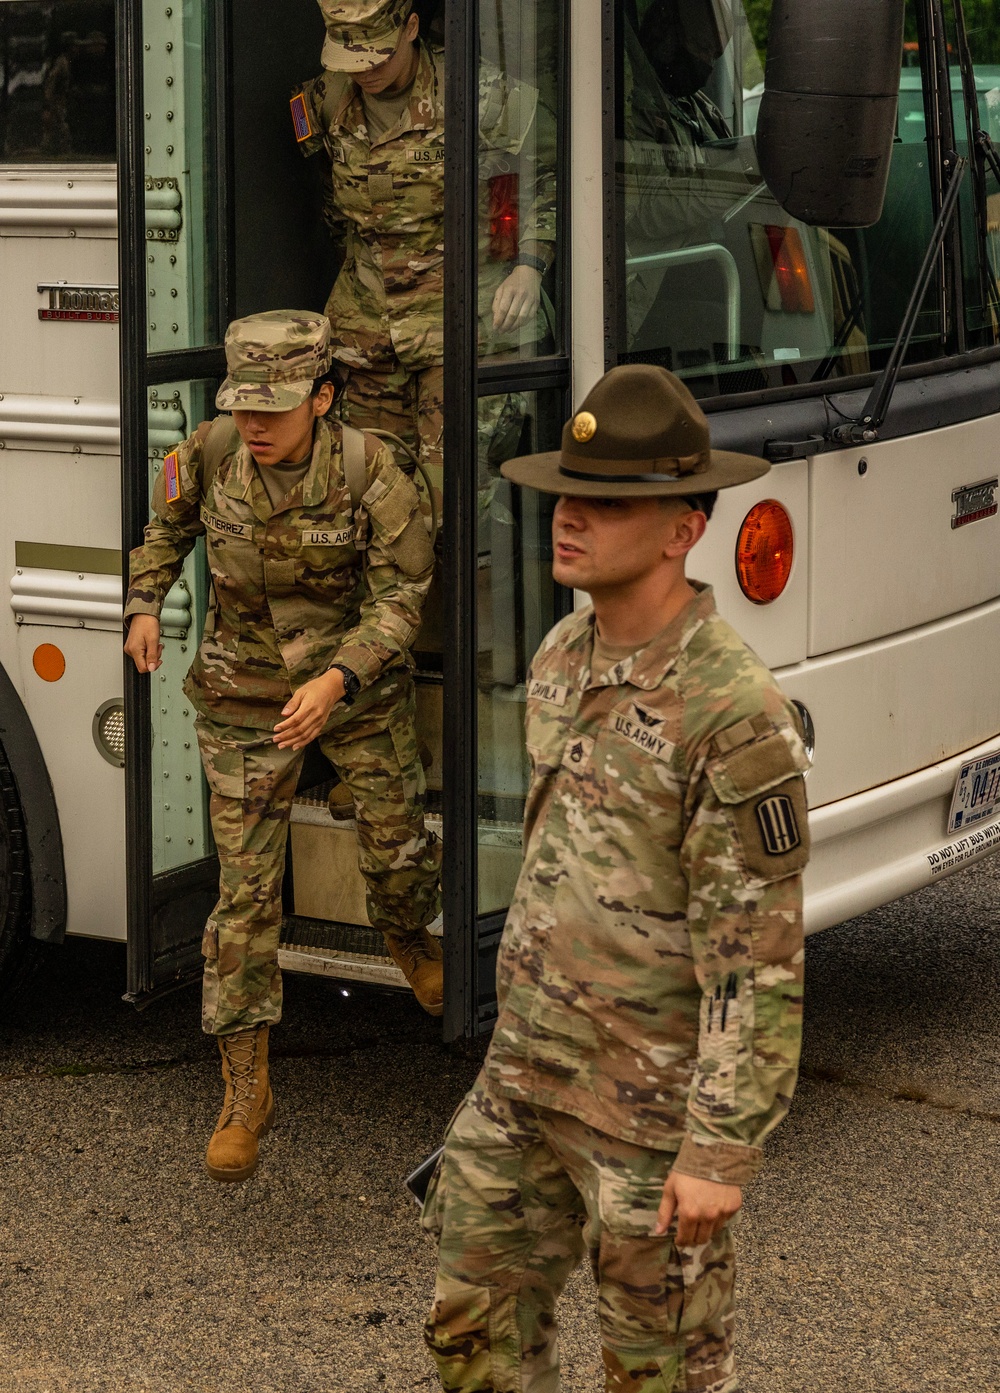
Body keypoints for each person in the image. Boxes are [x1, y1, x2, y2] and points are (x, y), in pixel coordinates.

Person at [421, 363, 810, 1392]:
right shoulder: (560, 652)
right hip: (527, 1079)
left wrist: (718, 1152)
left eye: (606, 502)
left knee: (660, 1373)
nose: (569, 517)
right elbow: (557, 871)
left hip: (647, 1116)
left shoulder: (731, 710)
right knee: (471, 1332)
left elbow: (756, 962)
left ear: (682, 528)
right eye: (567, 493)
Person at [124, 311, 442, 1183]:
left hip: (355, 684)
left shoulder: (371, 469)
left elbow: (402, 599)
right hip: (246, 694)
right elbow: (165, 530)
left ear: (325, 398)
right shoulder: (214, 451)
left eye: (278, 407)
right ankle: (245, 1089)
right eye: (244, 406)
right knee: (246, 897)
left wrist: (337, 680)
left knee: (397, 845)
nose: (257, 424)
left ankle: (409, 931)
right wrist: (144, 603)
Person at [292, 0, 557, 535]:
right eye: (350, 58)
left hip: (460, 327)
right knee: (364, 502)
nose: (364, 70)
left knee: (448, 508)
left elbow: (551, 173)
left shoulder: (478, 94)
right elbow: (327, 195)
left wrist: (531, 264)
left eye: (378, 56)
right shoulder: (323, 100)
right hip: (366, 339)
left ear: (411, 28)